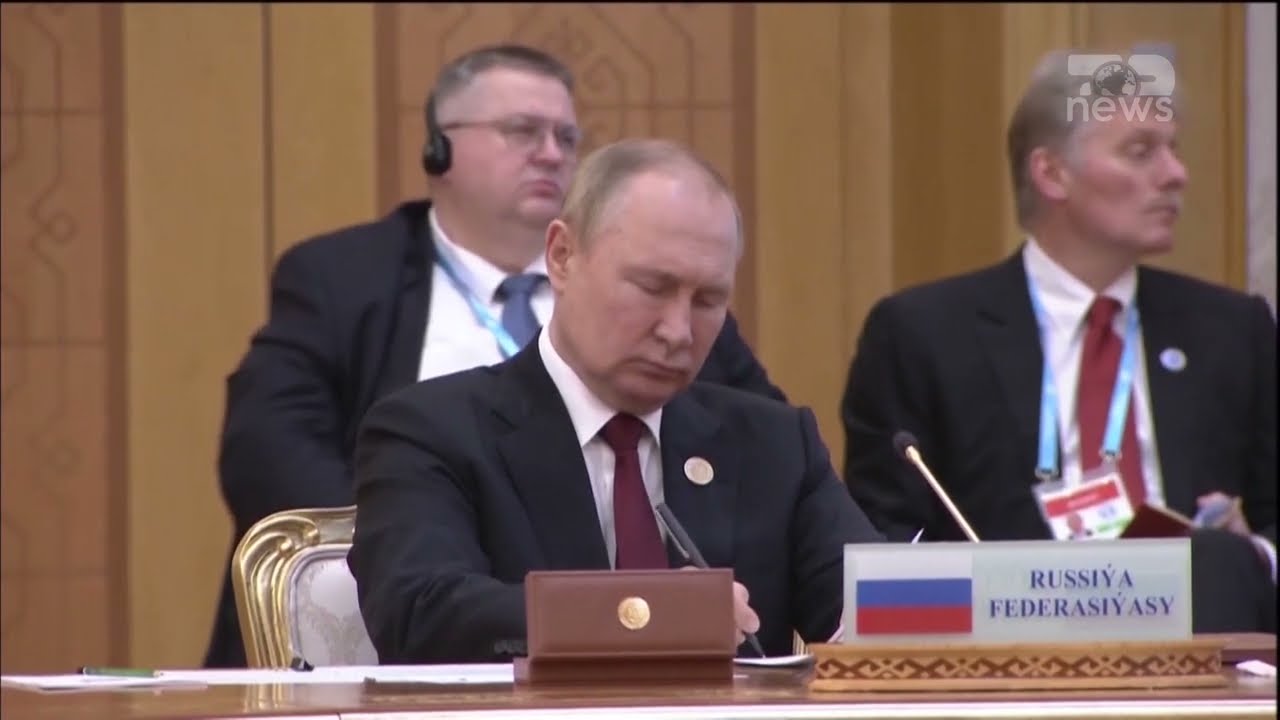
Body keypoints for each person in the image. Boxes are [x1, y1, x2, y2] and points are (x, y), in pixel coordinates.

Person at [204, 45, 786, 668]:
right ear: (439, 150)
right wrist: (411, 515)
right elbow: (269, 446)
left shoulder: (668, 305)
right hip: (434, 594)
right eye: (522, 131)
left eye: (566, 137)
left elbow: (759, 453)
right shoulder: (345, 277)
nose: (552, 154)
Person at [347, 138, 885, 664]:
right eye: (652, 287)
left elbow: (874, 615)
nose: (678, 331)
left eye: (707, 300)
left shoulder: (774, 444)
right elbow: (420, 612)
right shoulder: (430, 430)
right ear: (562, 257)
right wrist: (648, 616)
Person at [839, 49, 1276, 633]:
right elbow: (885, 544)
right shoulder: (924, 334)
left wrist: (1249, 557)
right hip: (1002, 655)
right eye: (1140, 151)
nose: (1176, 174)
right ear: (1051, 174)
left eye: (1174, 149)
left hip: (1204, 649)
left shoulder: (1231, 330)